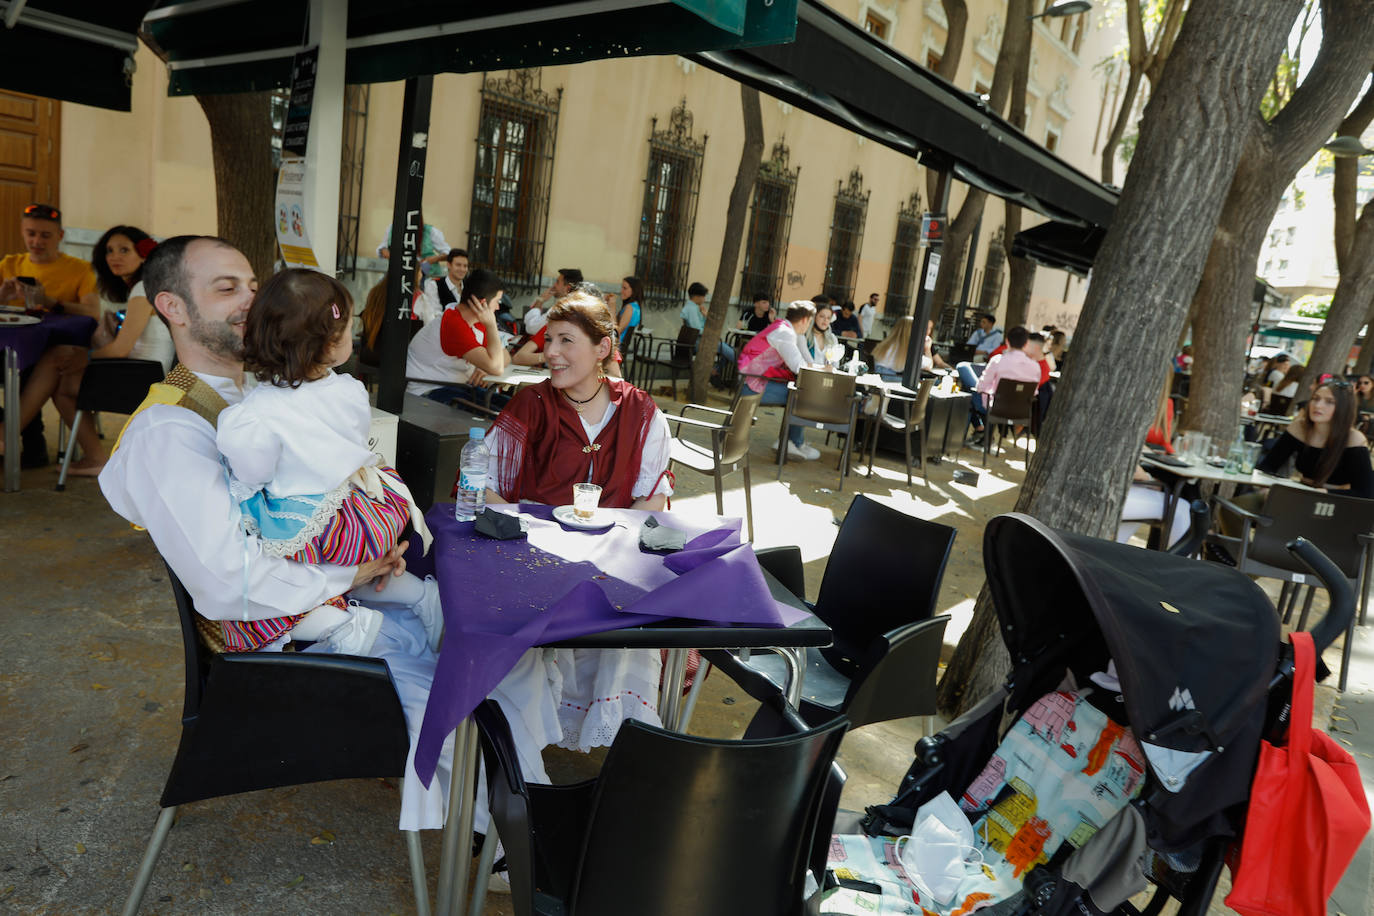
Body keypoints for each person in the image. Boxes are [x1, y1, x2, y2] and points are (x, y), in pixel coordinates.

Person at [97, 235, 559, 836]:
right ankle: (513, 841)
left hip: (340, 596)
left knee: (508, 638)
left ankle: (526, 817)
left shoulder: (270, 390)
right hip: (280, 652)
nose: (248, 300)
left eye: (252, 285)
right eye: (225, 288)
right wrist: (354, 571)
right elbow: (226, 583)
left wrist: (375, 542)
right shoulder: (170, 429)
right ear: (173, 309)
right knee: (473, 684)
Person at [214, 267, 441, 654]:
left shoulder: (253, 416)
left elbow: (253, 473)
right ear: (329, 345)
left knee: (262, 588)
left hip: (316, 530)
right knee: (350, 565)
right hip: (368, 514)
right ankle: (423, 597)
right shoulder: (350, 391)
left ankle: (340, 626)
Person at [483, 290, 672, 751]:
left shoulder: (642, 412)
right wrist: (524, 533)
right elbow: (484, 485)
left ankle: (619, 738)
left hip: (611, 561)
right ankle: (524, 735)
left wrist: (608, 547)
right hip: (536, 558)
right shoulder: (531, 404)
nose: (550, 353)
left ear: (602, 349)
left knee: (637, 614)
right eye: (549, 340)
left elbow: (653, 501)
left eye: (566, 341)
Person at [0, 205, 104, 467]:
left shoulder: (79, 269)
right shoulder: (10, 264)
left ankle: (27, 445)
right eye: (31, 233)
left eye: (45, 235)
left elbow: (92, 312)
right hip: (7, 349)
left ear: (60, 236)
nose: (36, 241)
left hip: (52, 354)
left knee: (30, 369)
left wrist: (50, 301)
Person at [406, 268, 512, 408]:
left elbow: (506, 356)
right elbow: (497, 368)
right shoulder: (454, 323)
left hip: (456, 388)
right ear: (482, 304)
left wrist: (485, 368)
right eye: (497, 301)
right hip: (427, 393)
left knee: (514, 407)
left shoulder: (473, 320)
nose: (498, 307)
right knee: (500, 419)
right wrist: (492, 325)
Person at [1255, 377, 1374, 496]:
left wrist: (1322, 493)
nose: (1318, 405)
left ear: (1343, 408)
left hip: (1336, 502)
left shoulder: (1354, 439)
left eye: (1329, 401)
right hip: (1301, 493)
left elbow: (1366, 492)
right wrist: (1266, 489)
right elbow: (1267, 466)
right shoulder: (1299, 427)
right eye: (1315, 399)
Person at [737, 300, 824, 460]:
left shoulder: (785, 329)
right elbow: (799, 367)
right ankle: (790, 442)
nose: (809, 325)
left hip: (755, 379)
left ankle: (794, 442)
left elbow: (805, 361)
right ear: (805, 320)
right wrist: (823, 369)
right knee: (802, 396)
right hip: (753, 383)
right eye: (810, 321)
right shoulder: (785, 333)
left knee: (801, 393)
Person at [1118, 372, 1192, 549]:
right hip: (1117, 494)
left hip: (1114, 491)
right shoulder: (1128, 404)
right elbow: (1132, 469)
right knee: (1181, 508)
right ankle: (1187, 571)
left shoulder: (1121, 400)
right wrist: (1149, 480)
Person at [971, 325, 1041, 441]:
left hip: (996, 408)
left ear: (1007, 341)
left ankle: (980, 432)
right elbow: (1034, 392)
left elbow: (981, 386)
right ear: (1026, 344)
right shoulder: (1035, 366)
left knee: (971, 395)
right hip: (1021, 411)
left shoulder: (998, 360)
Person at [375, 212, 449, 278]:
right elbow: (383, 247)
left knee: (419, 285)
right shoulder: (392, 228)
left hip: (425, 272)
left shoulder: (430, 231)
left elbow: (448, 252)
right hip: (399, 271)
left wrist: (433, 259)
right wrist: (385, 252)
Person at [414, 248, 470, 324]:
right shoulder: (434, 285)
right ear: (448, 265)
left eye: (465, 266)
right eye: (458, 265)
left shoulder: (470, 287)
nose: (462, 269)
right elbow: (433, 316)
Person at [525, 267, 582, 335]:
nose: (554, 285)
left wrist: (540, 301)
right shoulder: (580, 306)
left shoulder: (561, 309)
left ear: (568, 288)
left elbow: (532, 328)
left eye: (557, 282)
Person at [614, 276, 643, 349]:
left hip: (617, 347)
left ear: (633, 290)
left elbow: (617, 331)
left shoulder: (630, 308)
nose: (621, 291)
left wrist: (612, 306)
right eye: (622, 287)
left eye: (625, 288)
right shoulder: (636, 307)